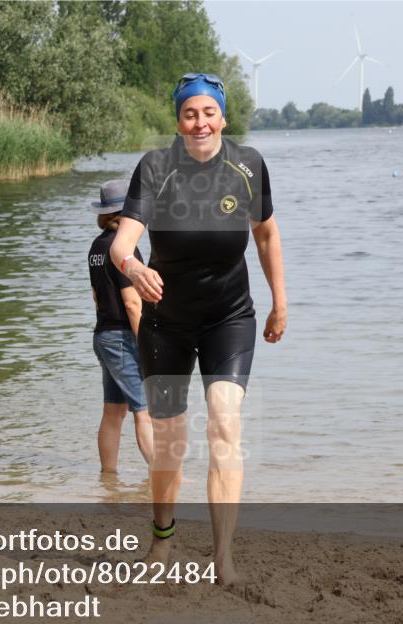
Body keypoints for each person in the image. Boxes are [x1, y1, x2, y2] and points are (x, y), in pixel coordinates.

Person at [109, 72, 287, 585]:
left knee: (225, 423)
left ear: (223, 118)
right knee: (170, 443)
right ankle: (161, 540)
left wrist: (280, 302)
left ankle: (223, 558)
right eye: (190, 113)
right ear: (178, 120)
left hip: (229, 318)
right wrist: (134, 269)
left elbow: (266, 234)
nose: (200, 122)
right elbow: (122, 245)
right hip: (165, 323)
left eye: (209, 112)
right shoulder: (156, 167)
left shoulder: (248, 166)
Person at [88, 180, 154, 472]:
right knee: (144, 410)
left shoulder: (97, 247)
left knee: (113, 411)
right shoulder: (123, 250)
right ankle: (163, 475)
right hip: (123, 338)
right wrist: (146, 344)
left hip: (104, 335)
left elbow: (96, 296)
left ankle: (108, 477)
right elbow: (132, 304)